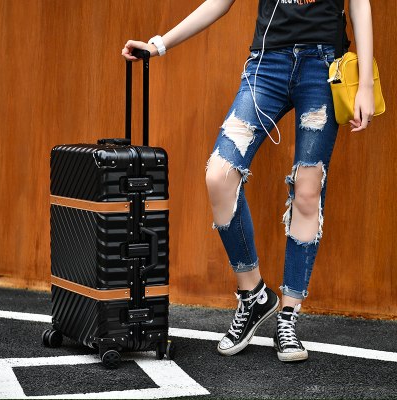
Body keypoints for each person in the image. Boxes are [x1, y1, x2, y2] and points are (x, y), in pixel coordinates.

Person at [122, 0, 374, 362]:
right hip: (267, 66)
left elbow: (360, 4)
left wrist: (365, 84)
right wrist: (158, 45)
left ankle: (288, 318)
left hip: (322, 67)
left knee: (308, 191)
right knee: (219, 174)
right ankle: (254, 295)